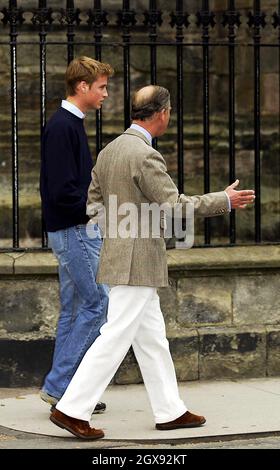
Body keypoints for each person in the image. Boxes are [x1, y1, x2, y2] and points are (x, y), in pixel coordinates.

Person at [49, 85, 255, 439]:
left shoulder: (110, 150)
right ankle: (71, 408)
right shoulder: (145, 155)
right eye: (169, 111)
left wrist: (121, 233)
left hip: (119, 255)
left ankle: (169, 410)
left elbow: (93, 206)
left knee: (152, 338)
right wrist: (223, 199)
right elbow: (174, 206)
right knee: (115, 336)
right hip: (137, 260)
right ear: (162, 113)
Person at [40, 56, 114, 414]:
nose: (105, 94)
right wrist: (95, 211)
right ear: (82, 87)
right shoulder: (62, 126)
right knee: (99, 304)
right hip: (74, 231)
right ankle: (59, 385)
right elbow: (62, 191)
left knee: (73, 310)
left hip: (72, 230)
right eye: (101, 87)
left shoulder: (69, 123)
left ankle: (64, 389)